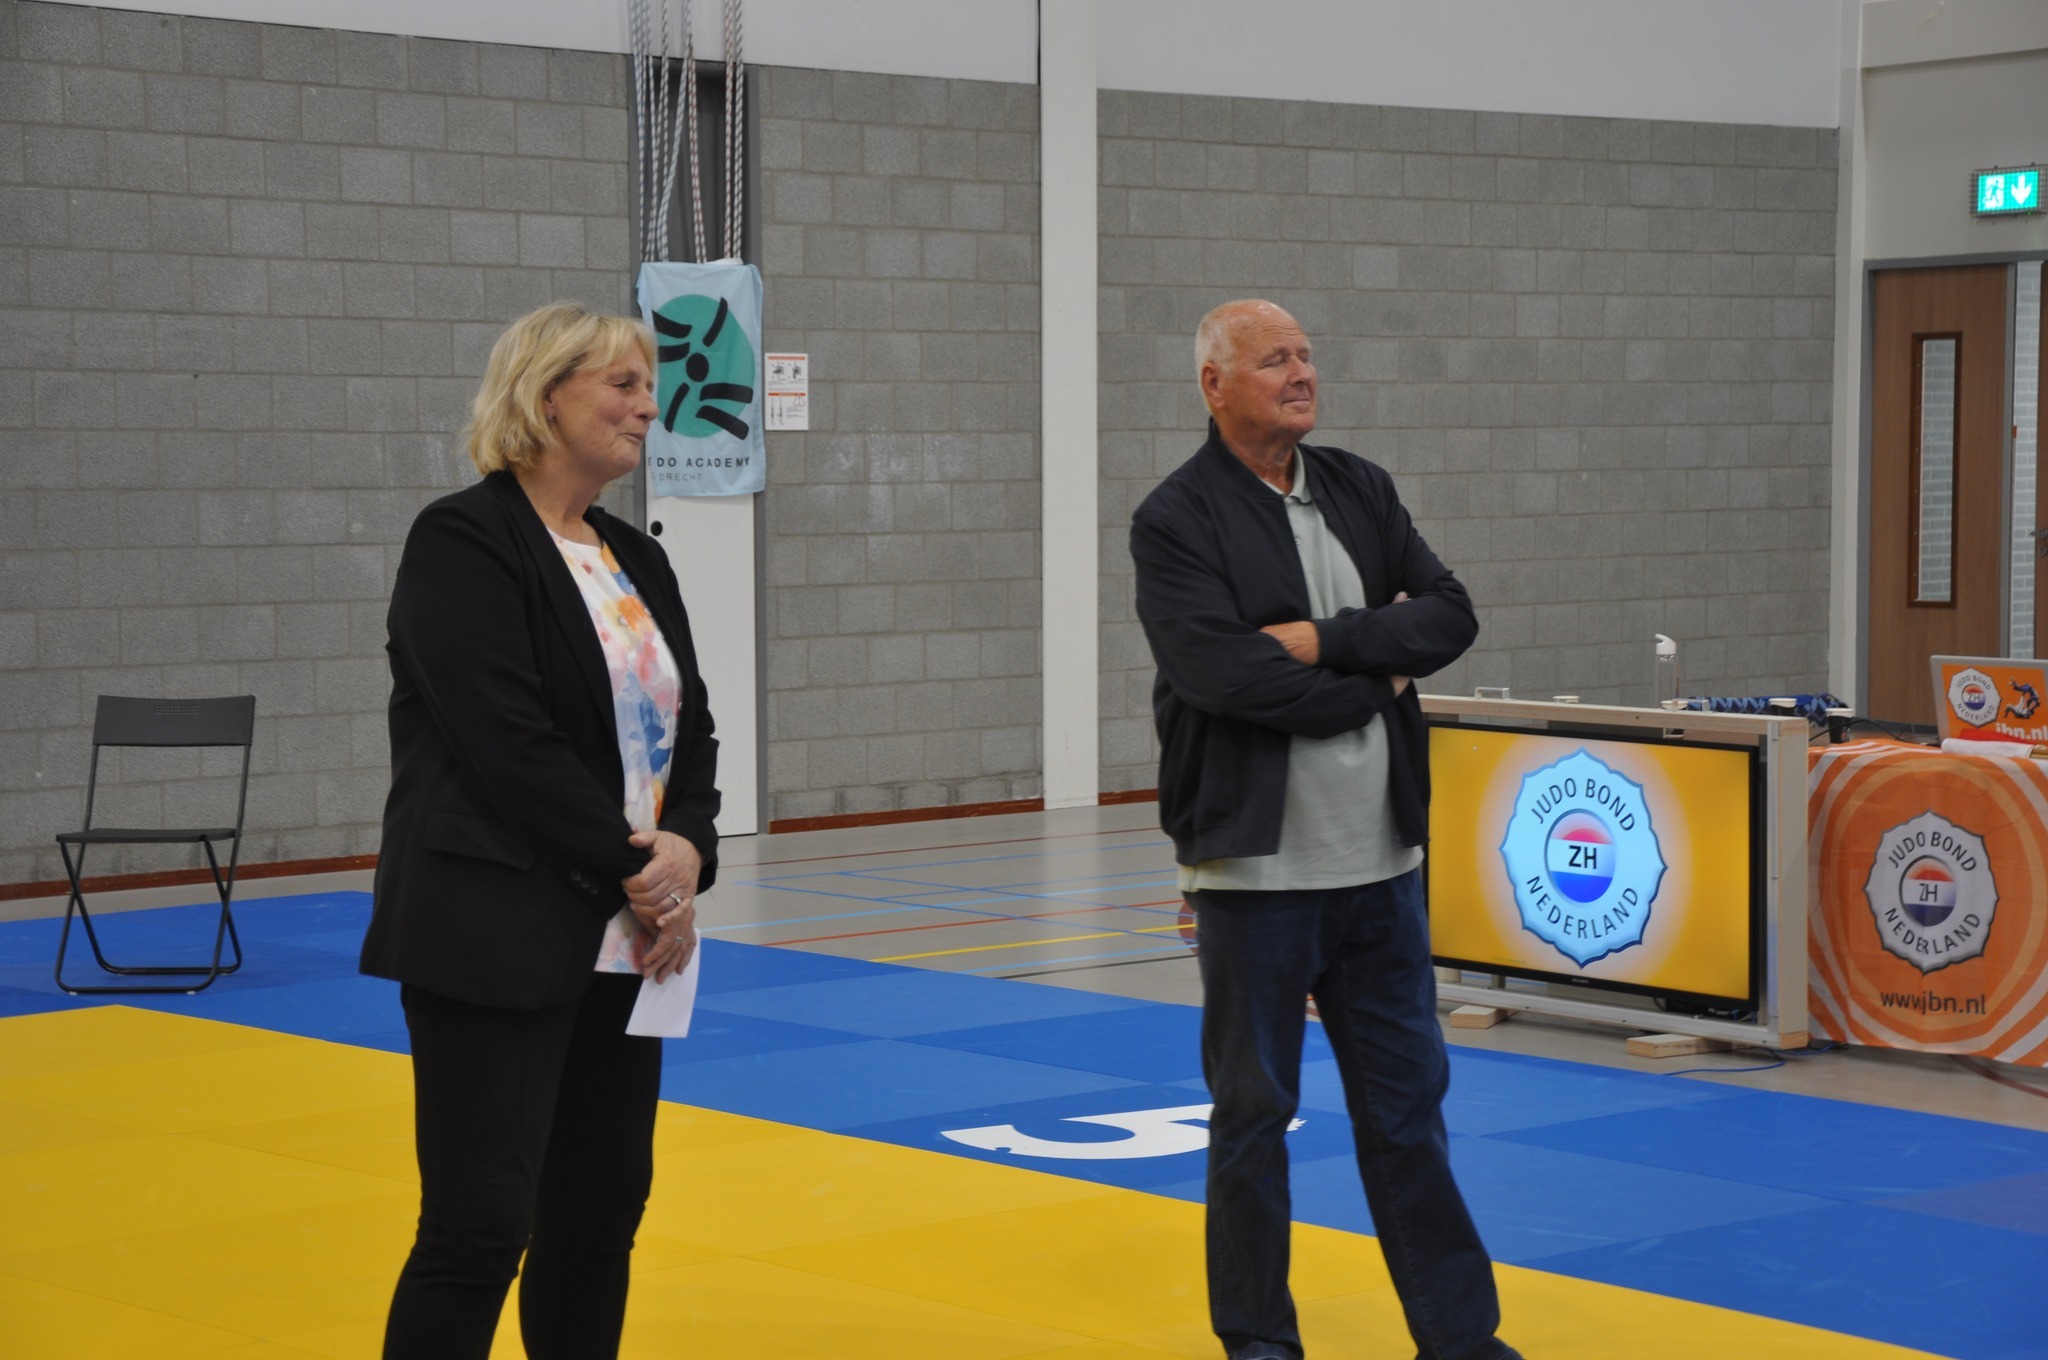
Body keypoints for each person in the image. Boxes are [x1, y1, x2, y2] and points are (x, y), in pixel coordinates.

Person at [1130, 299, 1518, 1360]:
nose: (1301, 374)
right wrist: (1378, 676)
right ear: (1214, 385)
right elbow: (1224, 676)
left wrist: (1326, 640)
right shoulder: (1176, 518)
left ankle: (1462, 1343)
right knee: (1252, 1122)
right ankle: (1260, 1345)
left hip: (1382, 870)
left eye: (1305, 356)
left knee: (1408, 1118)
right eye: (1274, 361)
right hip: (1255, 881)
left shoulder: (1358, 486)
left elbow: (1448, 612)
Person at [361, 300, 720, 1360]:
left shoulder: (634, 555)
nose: (647, 406)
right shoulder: (463, 541)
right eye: (622, 384)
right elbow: (506, 743)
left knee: (598, 1221)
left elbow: (691, 726)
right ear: (544, 394)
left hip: (627, 938)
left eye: (649, 386)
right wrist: (641, 871)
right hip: (494, 931)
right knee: (478, 1227)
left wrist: (690, 847)